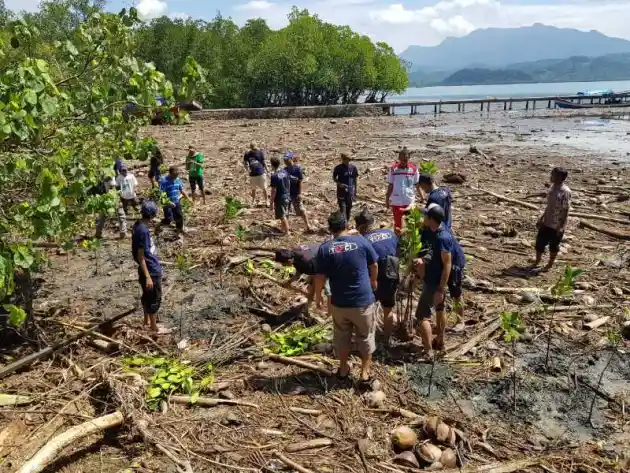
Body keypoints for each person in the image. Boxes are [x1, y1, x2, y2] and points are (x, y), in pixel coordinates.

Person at [314, 211, 379, 382]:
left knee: (342, 336)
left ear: (330, 229)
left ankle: (343, 369)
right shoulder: (361, 242)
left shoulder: (325, 248)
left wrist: (318, 295)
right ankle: (365, 373)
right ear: (347, 225)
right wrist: (373, 281)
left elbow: (319, 276)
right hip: (362, 301)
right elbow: (374, 264)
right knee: (365, 337)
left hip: (340, 303)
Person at [414, 204, 466, 359]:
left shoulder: (443, 237)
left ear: (431, 219)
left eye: (425, 216)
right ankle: (440, 340)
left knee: (452, 296)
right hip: (437, 268)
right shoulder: (430, 228)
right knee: (440, 305)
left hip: (451, 268)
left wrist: (441, 289)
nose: (423, 219)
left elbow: (447, 264)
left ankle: (430, 348)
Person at [355, 209, 400, 345]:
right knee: (388, 309)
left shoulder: (362, 241)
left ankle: (368, 338)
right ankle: (386, 339)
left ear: (361, 227)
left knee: (368, 308)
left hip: (374, 278)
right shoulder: (390, 233)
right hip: (391, 274)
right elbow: (398, 253)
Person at [132, 201, 165, 333]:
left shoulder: (138, 225)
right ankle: (154, 327)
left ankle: (146, 320)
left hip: (146, 267)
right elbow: (141, 256)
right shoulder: (143, 231)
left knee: (146, 295)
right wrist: (148, 277)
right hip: (150, 269)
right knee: (154, 297)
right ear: (152, 215)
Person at [533, 167, 571, 271]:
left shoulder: (565, 191)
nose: (551, 176)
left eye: (553, 175)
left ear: (560, 177)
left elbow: (566, 209)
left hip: (556, 224)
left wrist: (561, 226)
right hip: (547, 221)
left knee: (554, 246)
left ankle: (549, 264)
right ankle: (537, 261)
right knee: (539, 243)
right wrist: (542, 218)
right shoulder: (552, 187)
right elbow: (549, 205)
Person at [275, 243, 326, 310]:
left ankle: (321, 308)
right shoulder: (293, 253)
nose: (283, 265)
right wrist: (289, 281)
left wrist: (317, 294)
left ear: (289, 261)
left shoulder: (307, 263)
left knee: (318, 288)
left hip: (327, 261)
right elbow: (299, 271)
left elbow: (318, 277)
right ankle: (309, 306)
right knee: (311, 288)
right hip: (316, 258)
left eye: (284, 264)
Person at [386, 147, 420, 231]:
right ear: (399, 158)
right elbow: (391, 185)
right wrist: (387, 199)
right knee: (398, 223)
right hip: (397, 200)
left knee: (411, 223)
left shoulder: (414, 169)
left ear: (408, 159)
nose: (404, 162)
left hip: (409, 200)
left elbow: (416, 184)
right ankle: (398, 240)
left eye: (406, 160)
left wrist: (422, 197)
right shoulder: (393, 169)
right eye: (402, 160)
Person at [157, 166, 189, 236]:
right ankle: (158, 225)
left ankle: (178, 231)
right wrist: (169, 202)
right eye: (174, 175)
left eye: (177, 175)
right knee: (169, 219)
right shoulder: (164, 182)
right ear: (170, 173)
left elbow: (181, 189)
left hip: (176, 201)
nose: (176, 177)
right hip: (167, 202)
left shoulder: (177, 179)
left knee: (179, 216)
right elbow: (162, 195)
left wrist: (187, 197)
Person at [284, 152, 312, 232]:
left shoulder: (297, 168)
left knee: (301, 209)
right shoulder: (284, 170)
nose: (285, 161)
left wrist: (300, 193)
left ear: (291, 159)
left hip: (295, 193)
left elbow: (300, 181)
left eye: (287, 159)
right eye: (284, 160)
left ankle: (307, 225)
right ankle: (287, 227)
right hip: (287, 193)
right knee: (286, 210)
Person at [93, 174, 125, 239]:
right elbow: (112, 185)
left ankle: (98, 233)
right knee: (121, 215)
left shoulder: (102, 173)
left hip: (105, 197)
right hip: (111, 196)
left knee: (103, 216)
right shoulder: (109, 173)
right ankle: (123, 233)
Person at [333, 152, 359, 222]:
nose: (347, 161)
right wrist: (339, 184)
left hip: (350, 192)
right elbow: (334, 178)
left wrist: (355, 192)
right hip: (341, 192)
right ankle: (344, 224)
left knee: (349, 207)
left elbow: (355, 180)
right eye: (345, 160)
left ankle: (346, 222)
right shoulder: (338, 168)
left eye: (348, 160)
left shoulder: (353, 168)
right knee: (343, 208)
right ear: (342, 159)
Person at [115, 165, 139, 238]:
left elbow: (135, 184)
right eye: (123, 170)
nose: (124, 171)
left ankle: (139, 217)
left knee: (136, 206)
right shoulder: (119, 178)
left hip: (132, 195)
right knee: (124, 208)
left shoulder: (131, 176)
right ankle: (125, 222)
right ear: (120, 171)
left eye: (125, 170)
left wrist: (135, 189)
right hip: (124, 196)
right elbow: (116, 186)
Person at [270, 156, 291, 235]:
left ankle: (287, 232)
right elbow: (288, 183)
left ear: (272, 165)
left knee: (282, 216)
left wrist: (271, 202)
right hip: (287, 195)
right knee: (285, 214)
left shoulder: (274, 176)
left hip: (280, 198)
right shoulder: (285, 171)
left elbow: (274, 190)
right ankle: (283, 229)